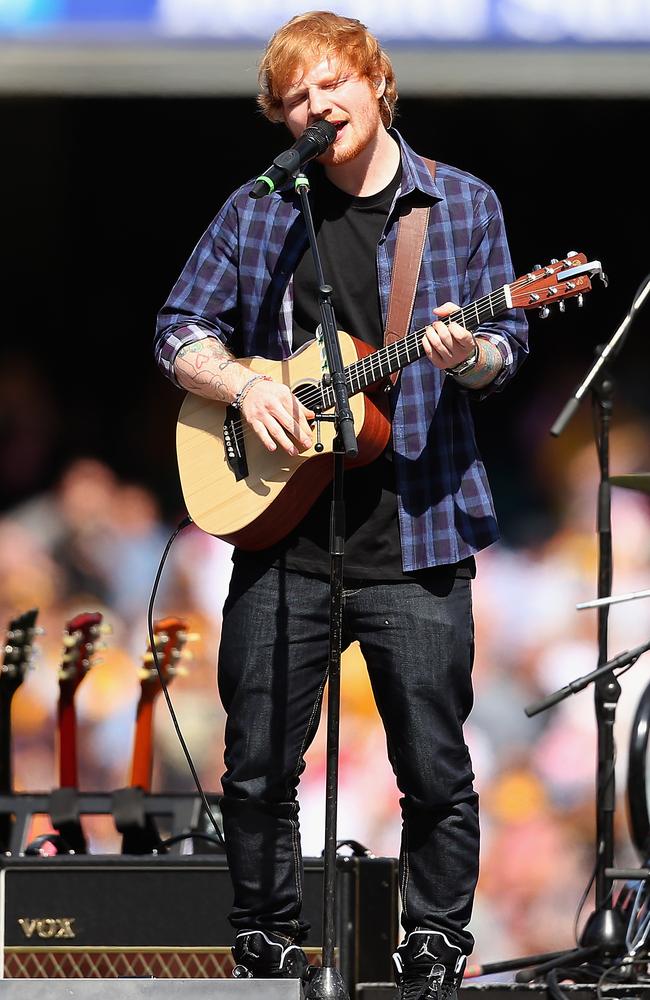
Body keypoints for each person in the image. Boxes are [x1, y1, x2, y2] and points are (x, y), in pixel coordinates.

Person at [155, 11, 528, 999]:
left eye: (329, 85)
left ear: (374, 81)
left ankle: (435, 947)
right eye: (292, 99)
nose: (314, 107)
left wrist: (471, 352)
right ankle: (266, 941)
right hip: (283, 538)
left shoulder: (458, 204)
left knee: (434, 770)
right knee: (254, 764)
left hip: (417, 534)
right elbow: (179, 328)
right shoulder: (259, 208)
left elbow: (507, 352)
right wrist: (246, 388)